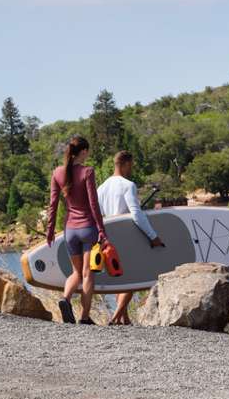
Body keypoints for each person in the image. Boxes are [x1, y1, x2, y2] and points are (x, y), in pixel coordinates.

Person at [46, 135, 108, 325]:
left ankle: (65, 299)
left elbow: (53, 205)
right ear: (83, 152)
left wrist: (49, 231)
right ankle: (85, 317)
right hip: (88, 228)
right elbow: (93, 203)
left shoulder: (57, 173)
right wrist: (102, 230)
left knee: (75, 273)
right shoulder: (87, 172)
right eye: (87, 151)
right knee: (88, 274)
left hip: (70, 230)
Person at [97, 150, 164, 325]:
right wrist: (153, 236)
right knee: (135, 276)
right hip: (128, 237)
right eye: (131, 165)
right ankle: (115, 317)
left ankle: (124, 319)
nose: (131, 169)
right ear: (126, 164)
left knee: (120, 276)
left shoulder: (101, 188)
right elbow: (137, 214)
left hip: (109, 238)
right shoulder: (128, 185)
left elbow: (99, 215)